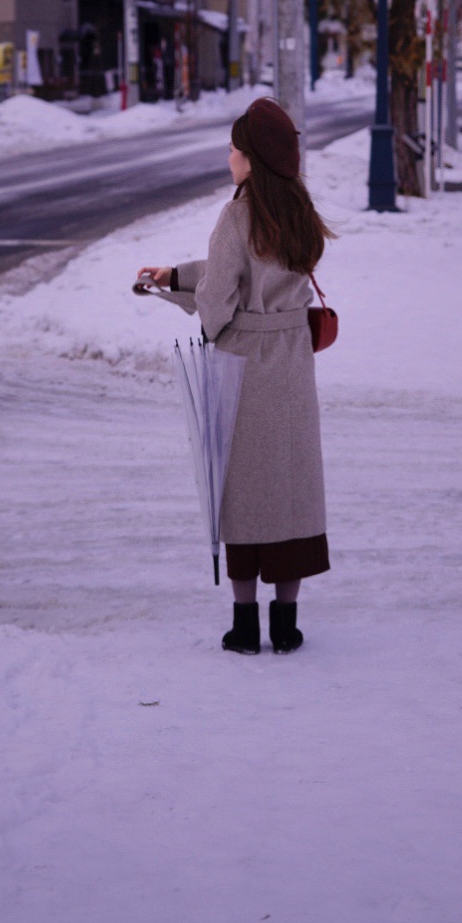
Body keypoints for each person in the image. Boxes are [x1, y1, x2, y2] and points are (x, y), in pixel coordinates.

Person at [138, 97, 334, 655]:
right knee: (291, 488)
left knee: (245, 490)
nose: (229, 157)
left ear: (252, 158)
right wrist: (176, 274)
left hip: (246, 363)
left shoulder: (236, 215)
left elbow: (219, 296)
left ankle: (245, 625)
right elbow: (251, 272)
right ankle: (288, 622)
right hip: (293, 361)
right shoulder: (298, 210)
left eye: (234, 148)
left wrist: (205, 323)